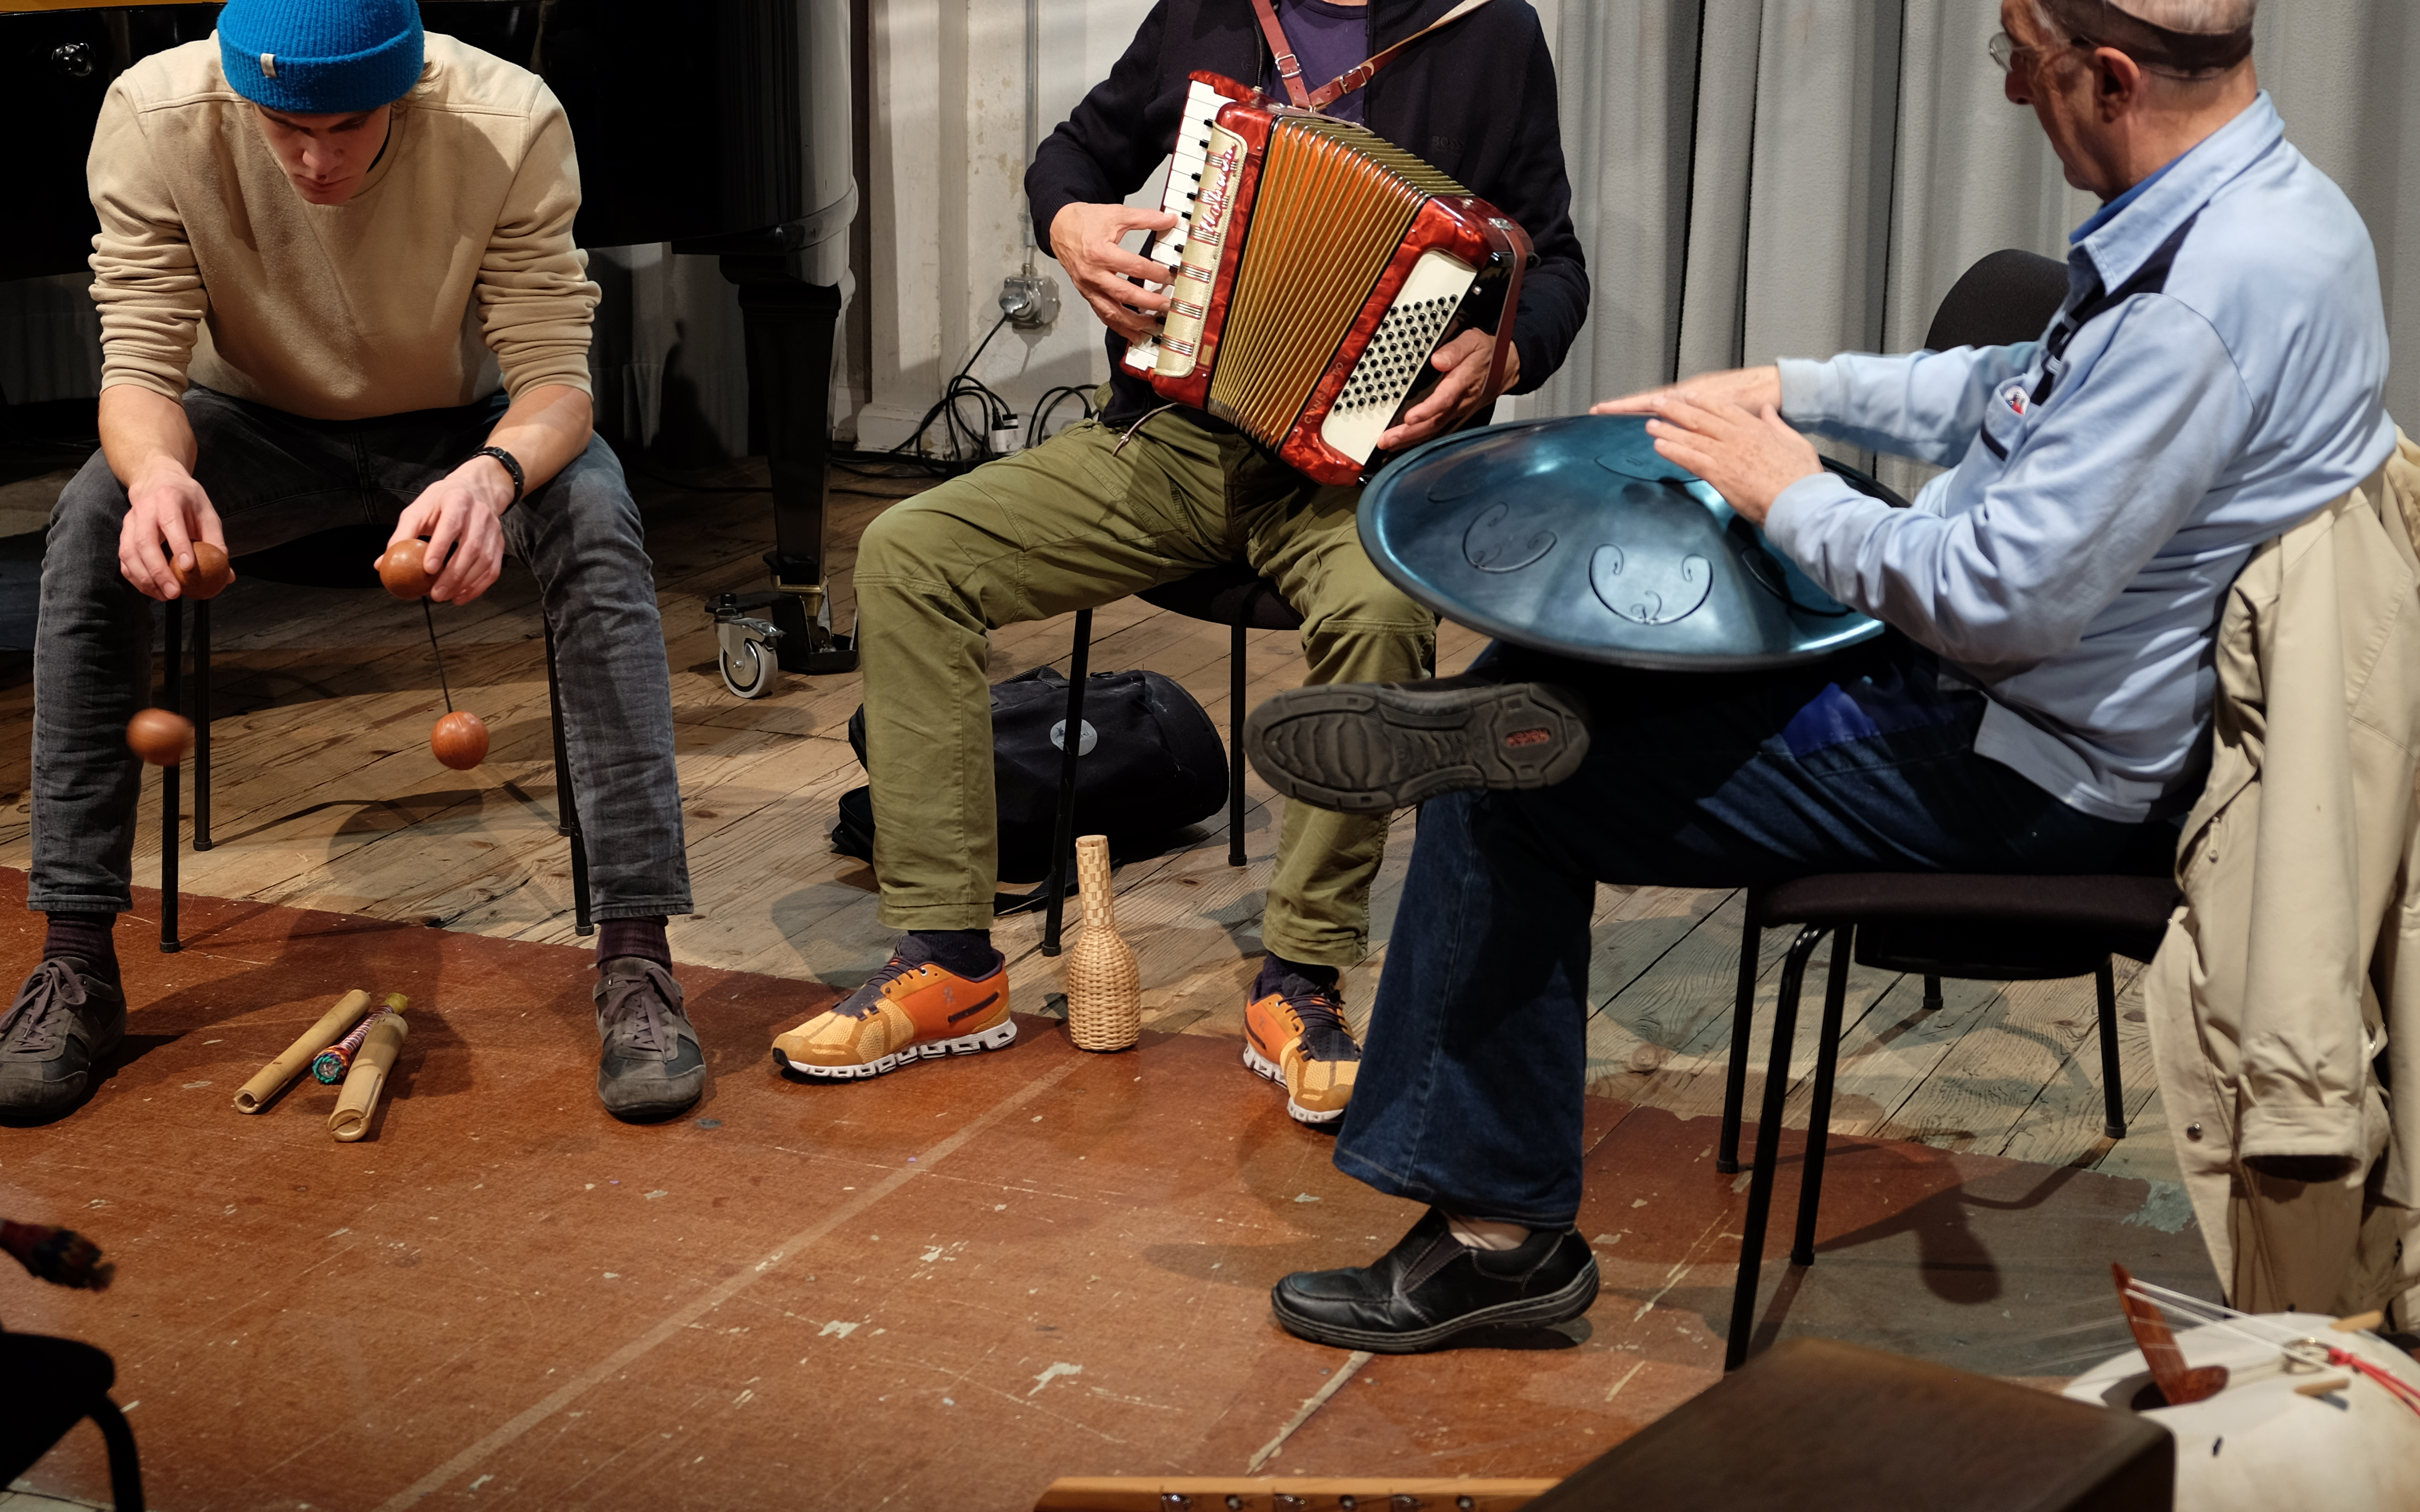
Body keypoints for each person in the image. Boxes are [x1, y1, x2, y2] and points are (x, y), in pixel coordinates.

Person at [1241, 0, 2395, 1349]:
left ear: (2113, 76)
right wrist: (1790, 389)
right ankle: (1490, 787)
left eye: (2022, 61)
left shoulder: (2197, 304)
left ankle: (1498, 1240)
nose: (2013, 93)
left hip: (2032, 764)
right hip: (2028, 696)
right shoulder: (2277, 212)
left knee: (1510, 781)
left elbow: (1992, 602)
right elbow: (2017, 387)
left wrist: (1785, 489)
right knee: (1532, 677)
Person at [769, 0, 1589, 1126]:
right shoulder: (1208, 11)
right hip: (1175, 441)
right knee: (912, 552)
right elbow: (1075, 153)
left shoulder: (1484, 31)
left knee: (1382, 610)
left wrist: (1506, 352)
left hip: (1354, 467)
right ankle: (949, 961)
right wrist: (1069, 226)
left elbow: (1554, 260)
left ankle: (1300, 977)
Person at [0, 0, 701, 1124]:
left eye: (348, 128)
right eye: (286, 129)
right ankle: (76, 961)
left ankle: (637, 959)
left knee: (598, 517)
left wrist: (493, 476)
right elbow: (139, 361)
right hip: (246, 424)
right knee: (92, 514)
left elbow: (556, 381)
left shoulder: (508, 120)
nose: (316, 162)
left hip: (462, 428)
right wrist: (158, 473)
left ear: (405, 90)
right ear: (241, 89)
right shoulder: (153, 114)